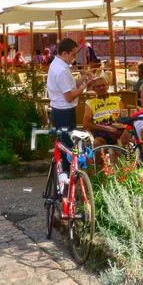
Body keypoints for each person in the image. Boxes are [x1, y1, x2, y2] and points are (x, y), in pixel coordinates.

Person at [47, 38, 94, 179]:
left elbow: (71, 84)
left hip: (61, 109)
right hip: (64, 110)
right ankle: (67, 175)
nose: (75, 57)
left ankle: (66, 173)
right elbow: (69, 96)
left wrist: (84, 79)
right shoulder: (61, 70)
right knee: (67, 145)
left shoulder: (59, 65)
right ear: (64, 53)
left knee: (66, 143)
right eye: (73, 54)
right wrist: (85, 87)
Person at [82, 76, 125, 148]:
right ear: (94, 89)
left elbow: (124, 118)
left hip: (117, 132)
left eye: (103, 85)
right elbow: (86, 125)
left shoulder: (117, 100)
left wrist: (117, 128)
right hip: (101, 132)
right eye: (98, 86)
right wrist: (106, 128)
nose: (101, 88)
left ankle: (118, 155)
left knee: (122, 145)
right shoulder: (90, 103)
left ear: (107, 86)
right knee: (97, 143)